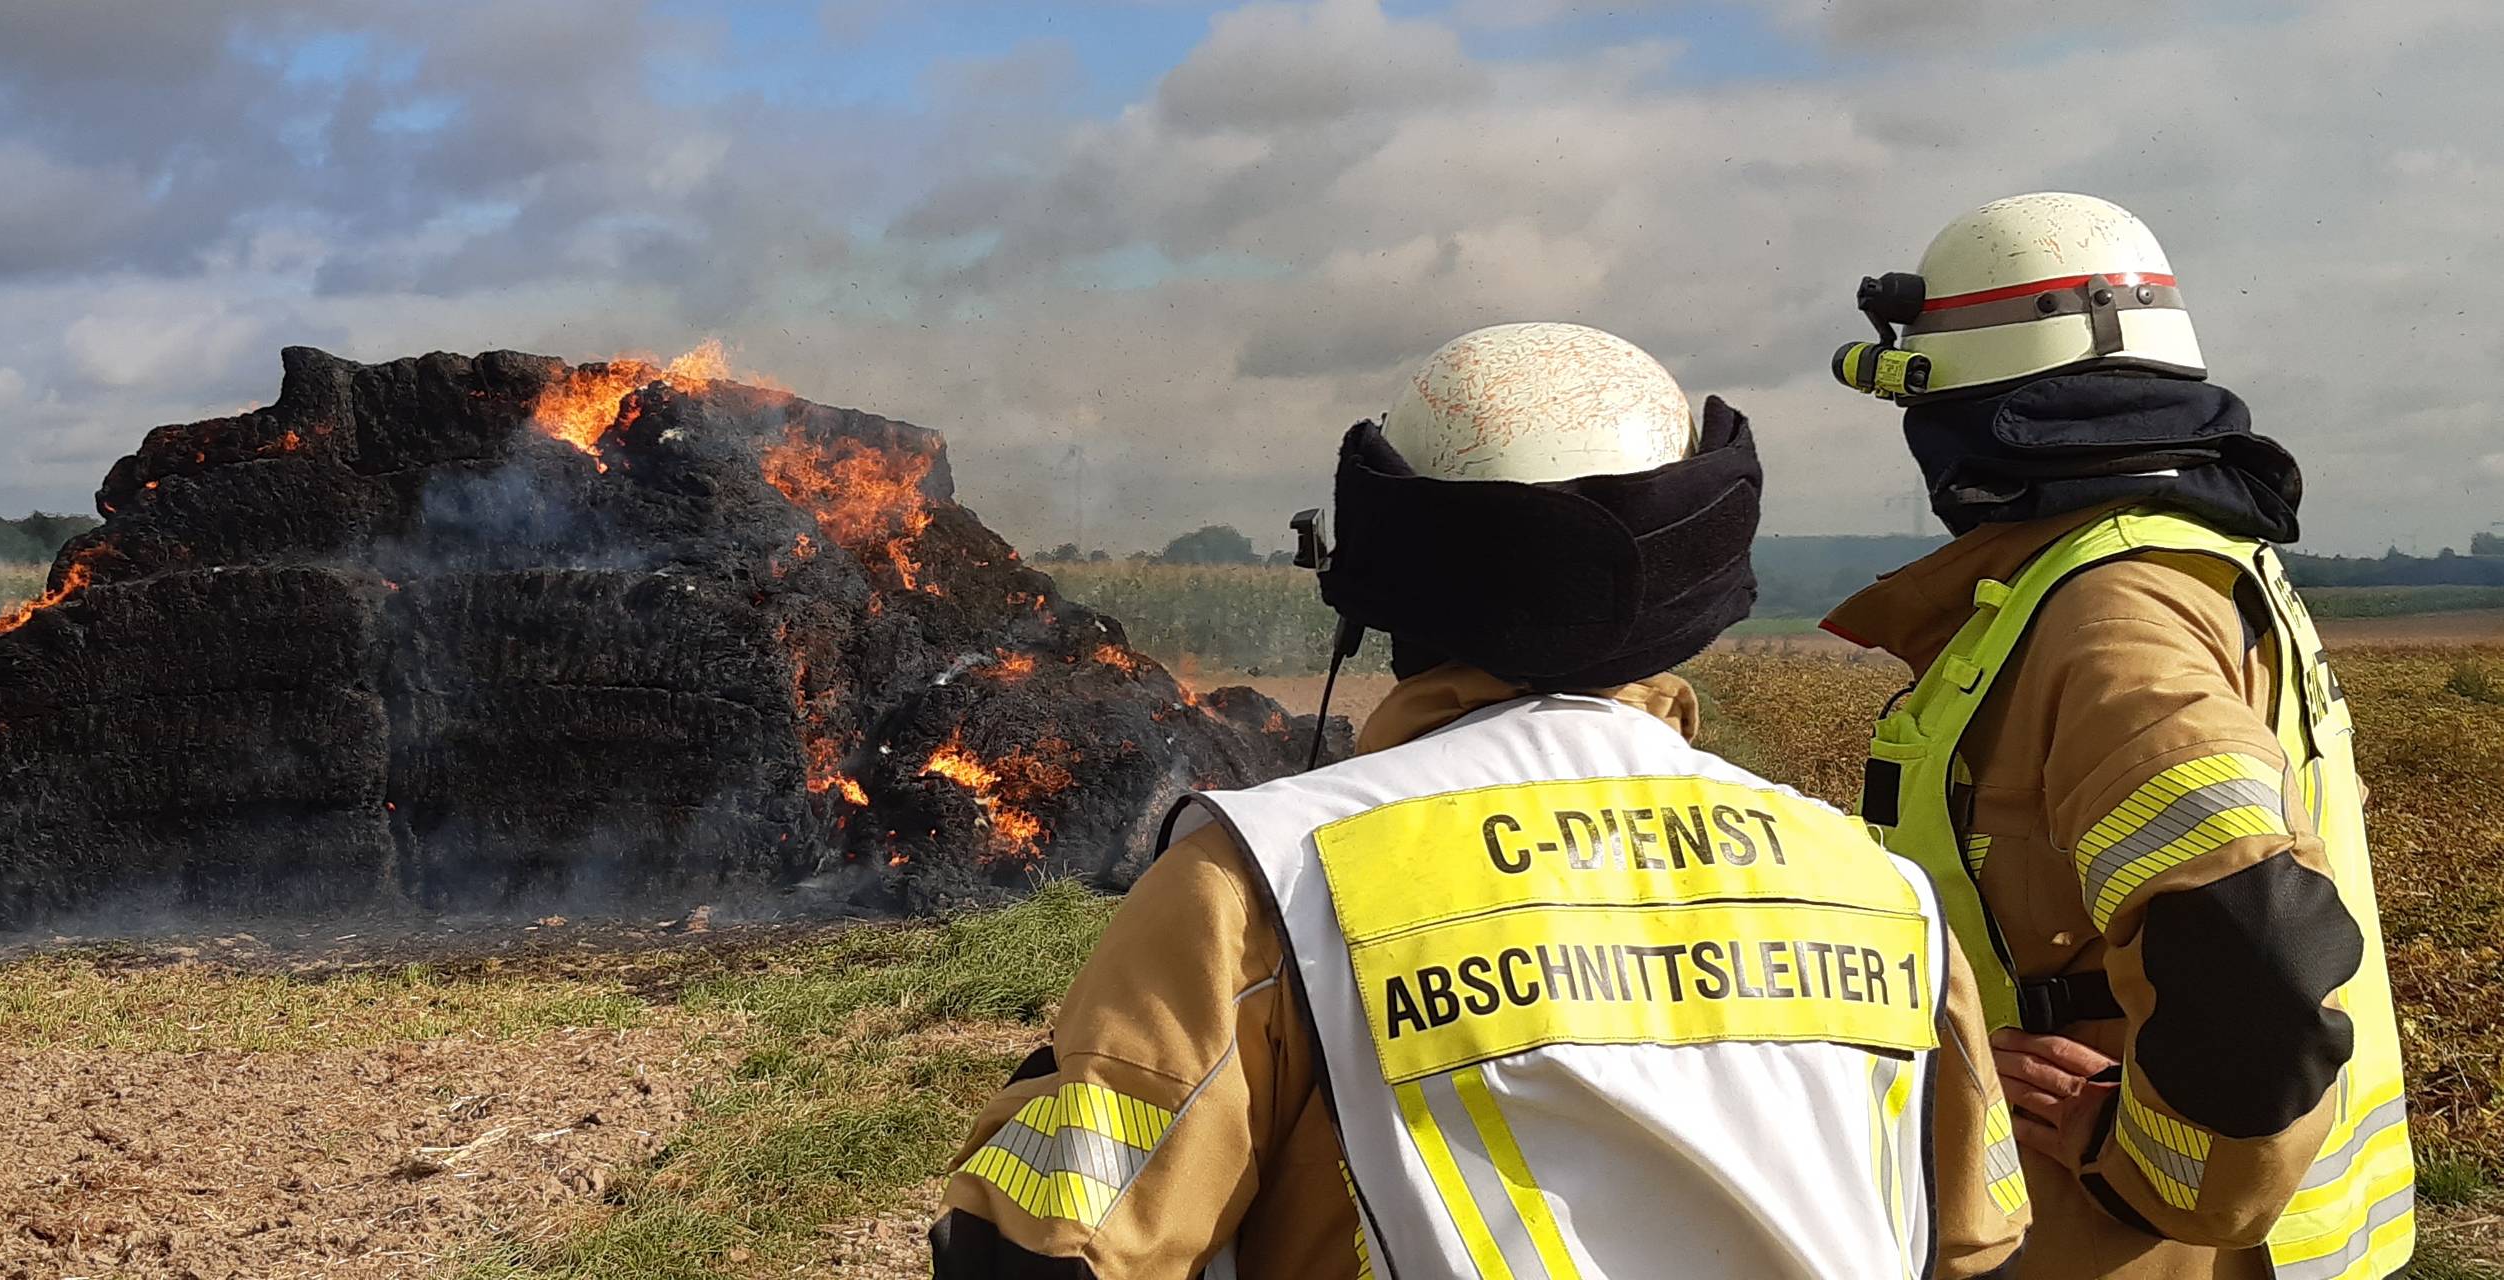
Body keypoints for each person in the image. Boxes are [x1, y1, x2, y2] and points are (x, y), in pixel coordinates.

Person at [931, 322, 2029, 1279]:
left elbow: (1047, 1247)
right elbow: (1979, 1240)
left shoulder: (1271, 878)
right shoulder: (1877, 889)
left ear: (1381, 564)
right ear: (1703, 562)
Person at [1821, 193, 2414, 1280]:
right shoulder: (2189, 559)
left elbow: (2258, 945)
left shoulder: (2111, 614)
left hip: (2122, 1239)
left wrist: (2140, 1158)